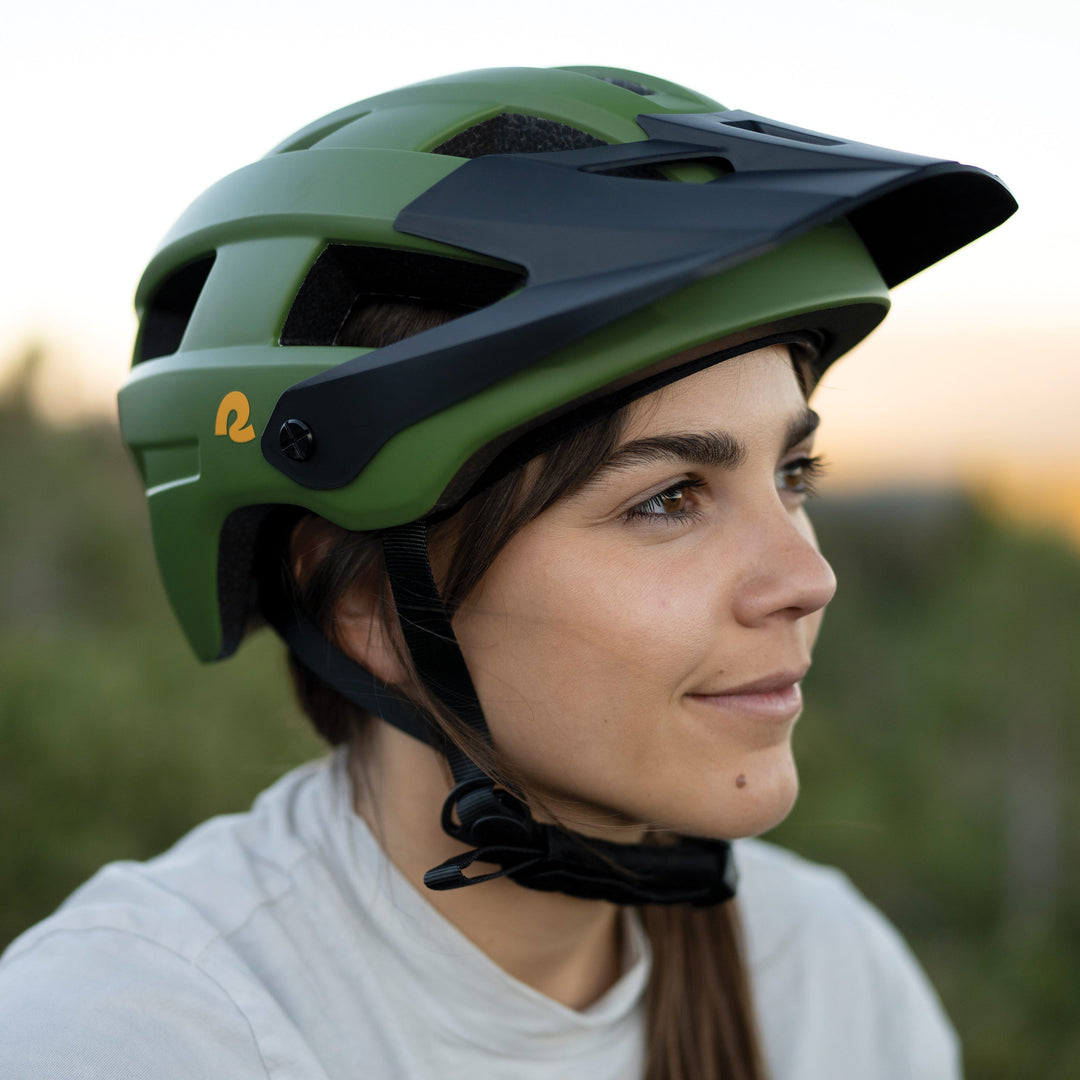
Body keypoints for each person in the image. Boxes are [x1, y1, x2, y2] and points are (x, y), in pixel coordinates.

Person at [0, 66, 1015, 1079]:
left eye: (794, 473)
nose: (807, 577)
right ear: (366, 604)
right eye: (668, 499)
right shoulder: (137, 1032)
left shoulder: (829, 978)